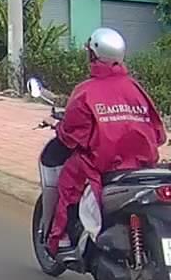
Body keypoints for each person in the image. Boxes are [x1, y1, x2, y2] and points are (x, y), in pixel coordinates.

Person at [50, 27, 166, 255]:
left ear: (93, 55)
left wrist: (59, 128)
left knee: (67, 183)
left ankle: (62, 238)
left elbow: (73, 135)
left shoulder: (85, 91)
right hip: (142, 166)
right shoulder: (135, 88)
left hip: (101, 165)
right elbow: (158, 132)